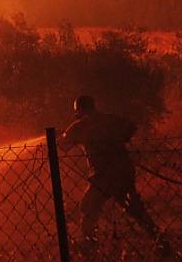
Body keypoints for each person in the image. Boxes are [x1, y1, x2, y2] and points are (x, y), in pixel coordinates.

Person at [60, 95, 160, 244]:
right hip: (123, 170)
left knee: (88, 207)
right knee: (133, 208)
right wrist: (116, 139)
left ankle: (89, 244)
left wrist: (61, 135)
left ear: (79, 110)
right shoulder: (111, 119)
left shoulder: (80, 126)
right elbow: (131, 127)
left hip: (102, 176)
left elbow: (63, 145)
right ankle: (158, 238)